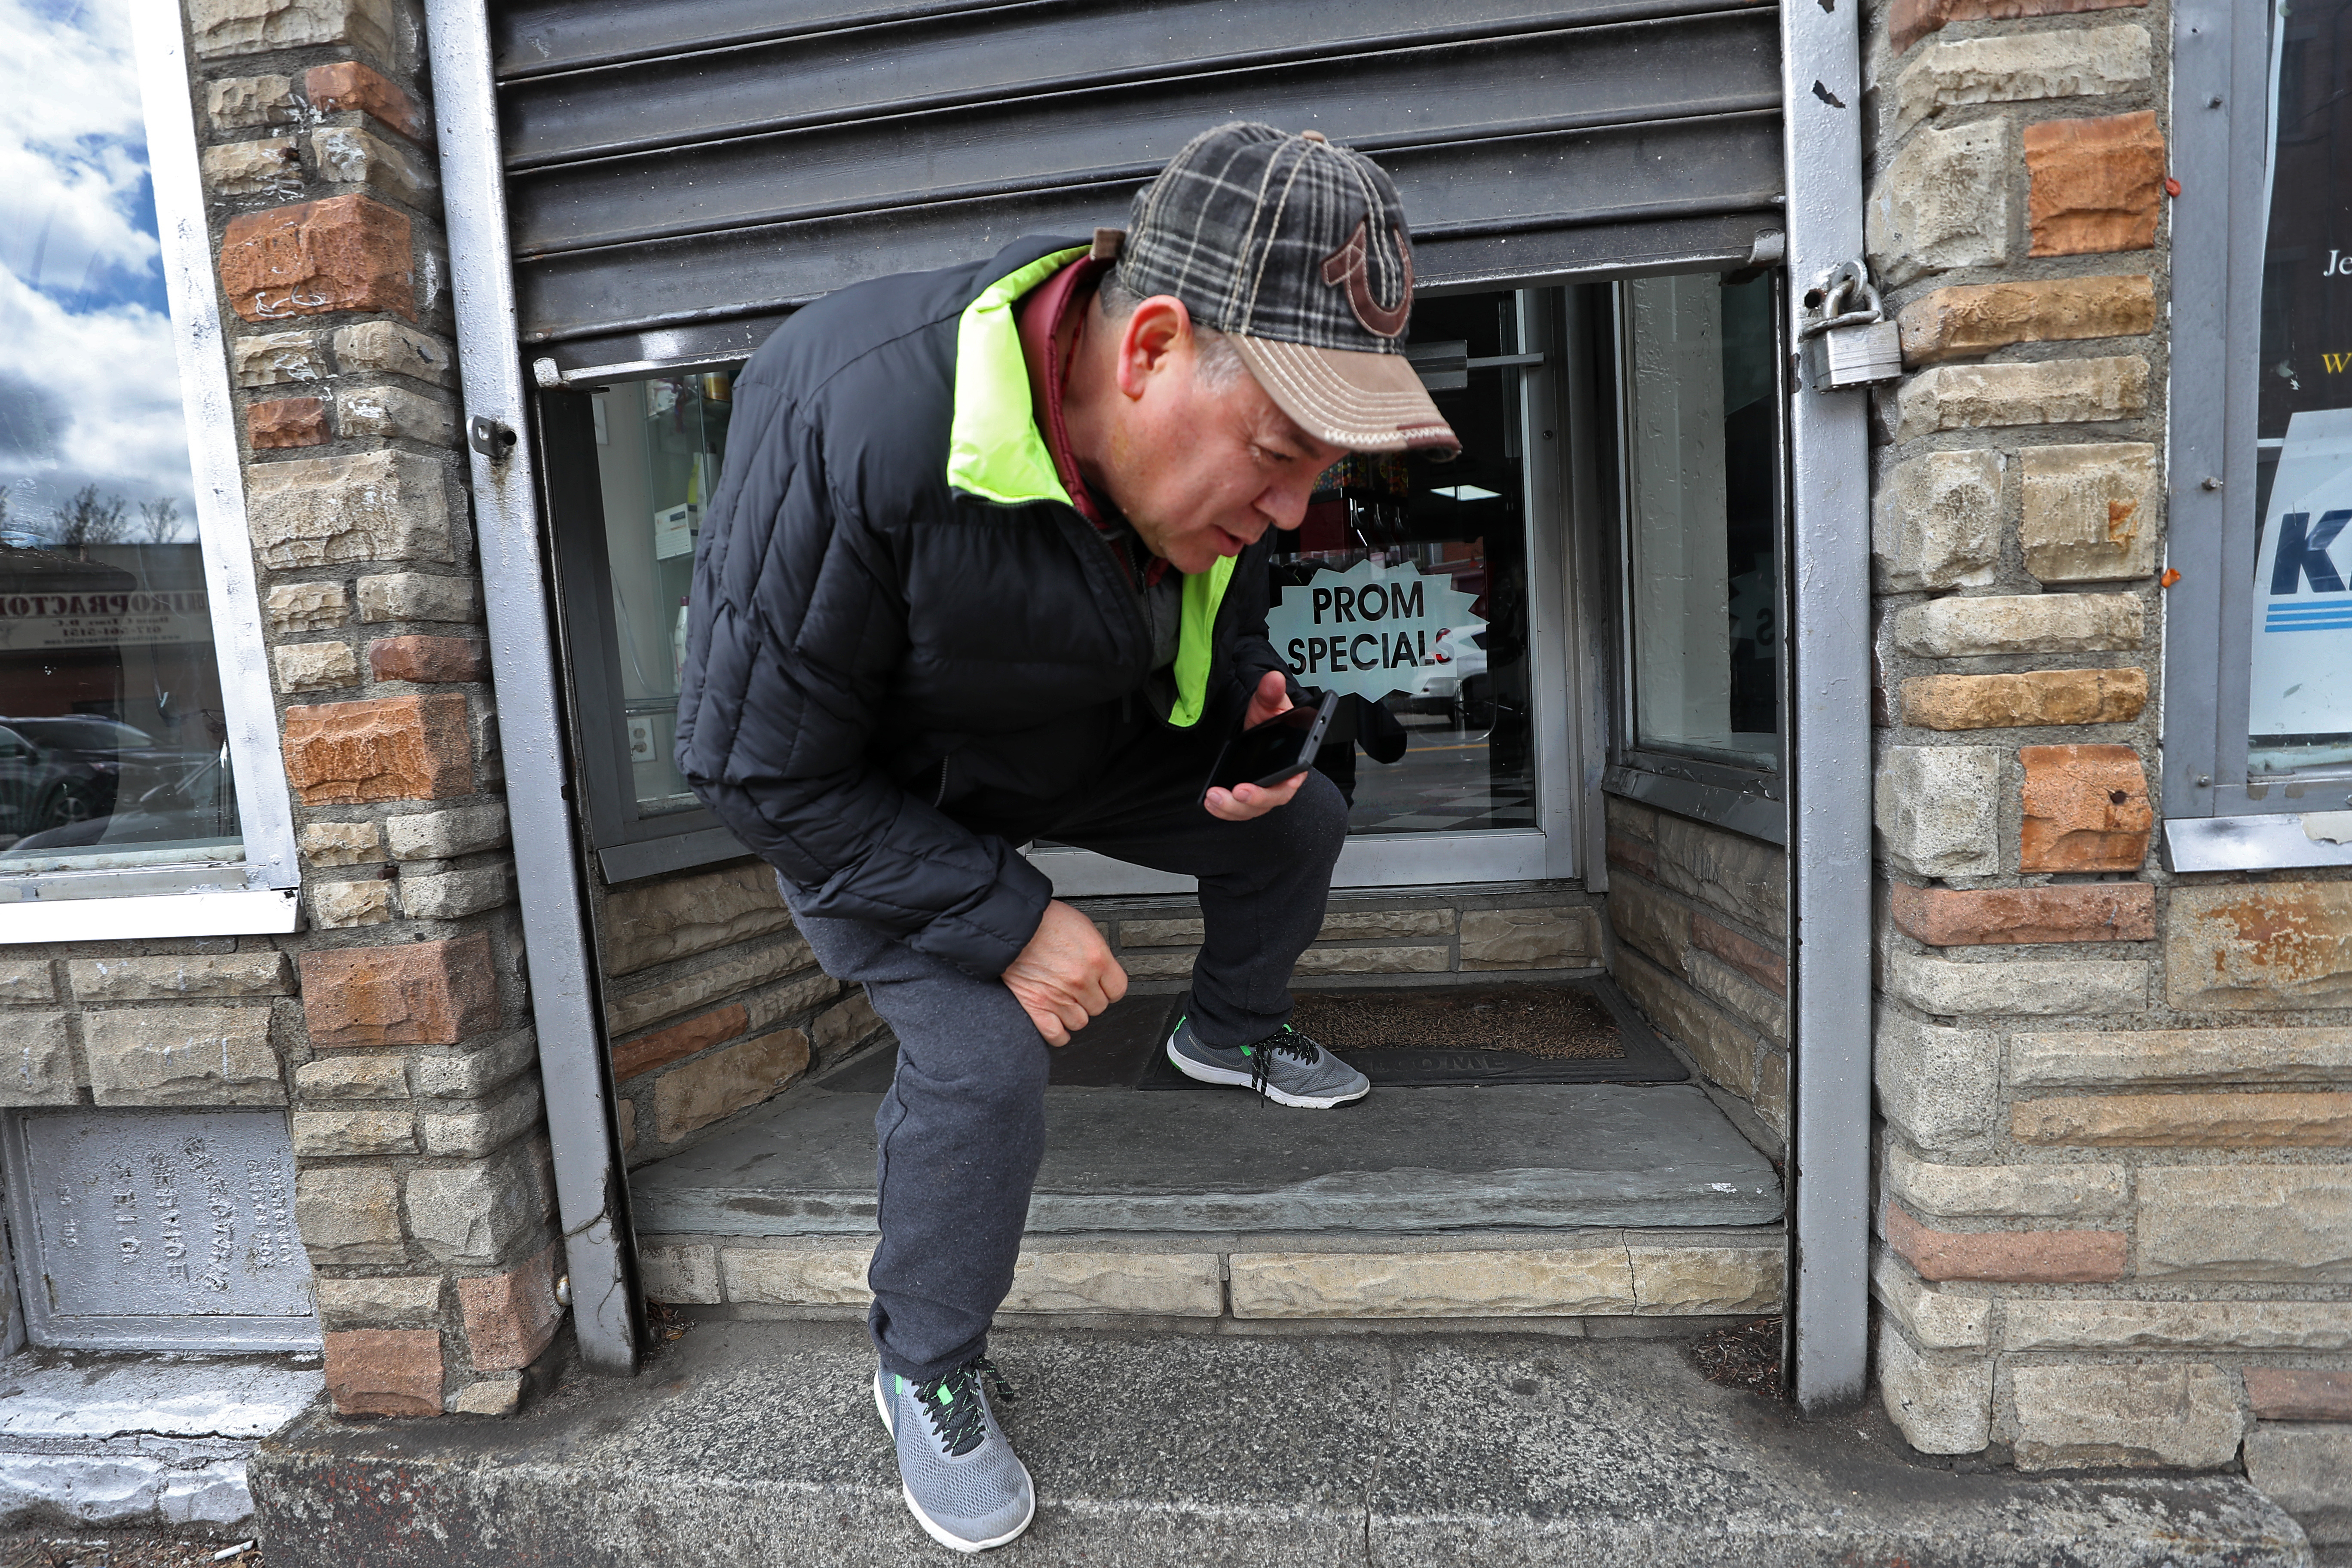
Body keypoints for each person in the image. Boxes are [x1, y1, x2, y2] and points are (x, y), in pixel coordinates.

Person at [675, 121, 1458, 1554]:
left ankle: (1224, 1032)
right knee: (981, 1062)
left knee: (1303, 825)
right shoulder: (855, 411)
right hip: (868, 807)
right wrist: (1009, 921)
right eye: (1283, 455)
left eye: (1320, 470)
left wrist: (1239, 721)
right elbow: (751, 770)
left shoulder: (1217, 464)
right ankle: (924, 1360)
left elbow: (1206, 616)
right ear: (1150, 347)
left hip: (1068, 753)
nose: (1298, 510)